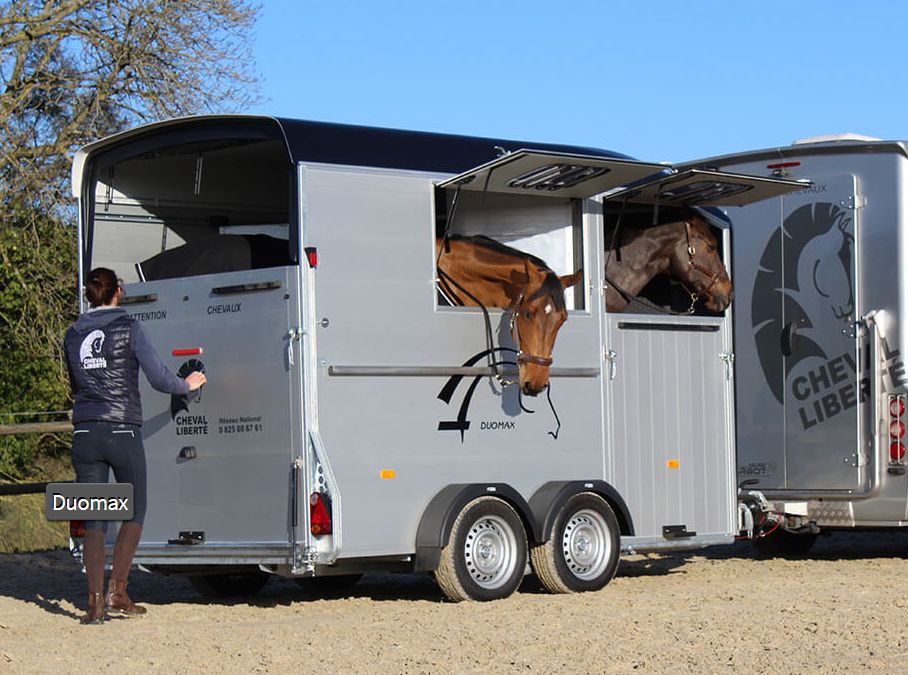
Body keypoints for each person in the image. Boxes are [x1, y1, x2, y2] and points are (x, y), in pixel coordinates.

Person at [63, 267, 206, 624]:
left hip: (85, 433)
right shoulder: (129, 327)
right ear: (118, 293)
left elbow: (77, 383)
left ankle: (94, 605)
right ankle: (119, 590)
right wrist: (186, 384)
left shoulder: (71, 334)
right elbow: (159, 378)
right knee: (134, 510)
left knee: (94, 516)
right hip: (122, 430)